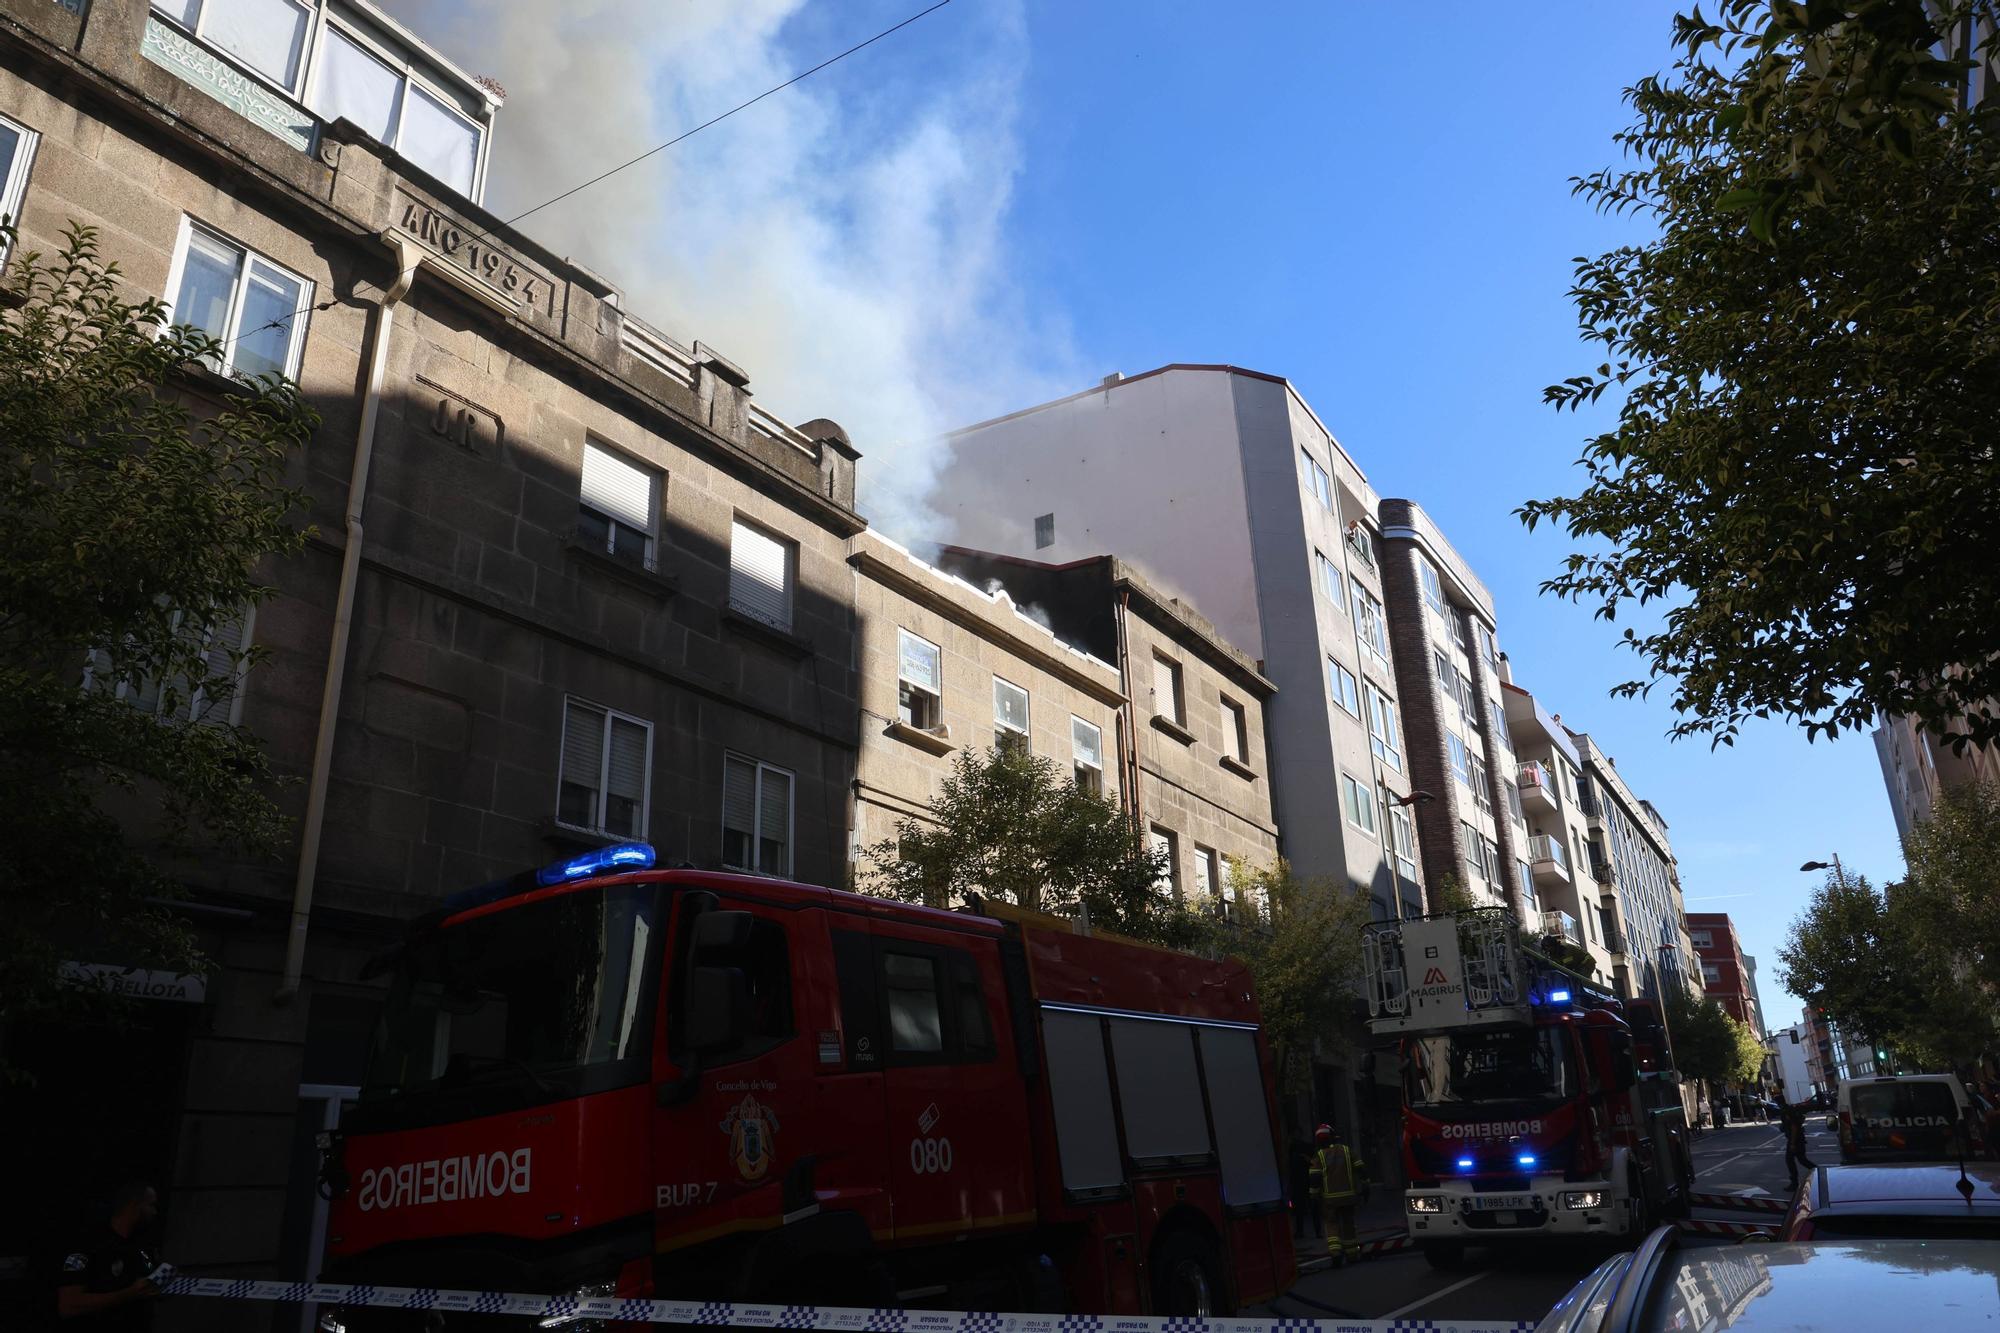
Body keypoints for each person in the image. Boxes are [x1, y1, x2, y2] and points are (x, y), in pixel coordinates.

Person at [53, 1180, 161, 1329]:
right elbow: (69, 1305)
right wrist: (129, 1294)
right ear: (134, 1206)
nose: (155, 1212)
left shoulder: (141, 1246)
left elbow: (149, 1280)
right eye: (151, 1205)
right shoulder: (89, 1243)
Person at [1313, 1123, 1366, 1264]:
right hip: (1349, 1197)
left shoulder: (1320, 1156)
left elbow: (1314, 1179)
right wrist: (1366, 1185)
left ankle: (1336, 1253)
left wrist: (1314, 1196)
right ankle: (1352, 1255)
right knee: (1348, 1225)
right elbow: (1361, 1168)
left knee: (1331, 1225)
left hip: (1330, 1201)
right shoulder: (1347, 1150)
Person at [1288, 1135, 1323, 1240]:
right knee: (1314, 1209)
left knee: (1299, 1211)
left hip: (1299, 1187)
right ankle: (1318, 1232)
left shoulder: (1294, 1158)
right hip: (1309, 1185)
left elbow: (1292, 1174)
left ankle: (1300, 1232)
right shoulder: (1308, 1158)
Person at [1778, 1100, 1815, 1189]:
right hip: (1799, 1139)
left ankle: (1794, 1183)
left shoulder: (1787, 1111)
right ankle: (1818, 1171)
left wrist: (1792, 1143)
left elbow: (1794, 1127)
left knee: (1790, 1160)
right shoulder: (1792, 1109)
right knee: (1802, 1160)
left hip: (1795, 1140)